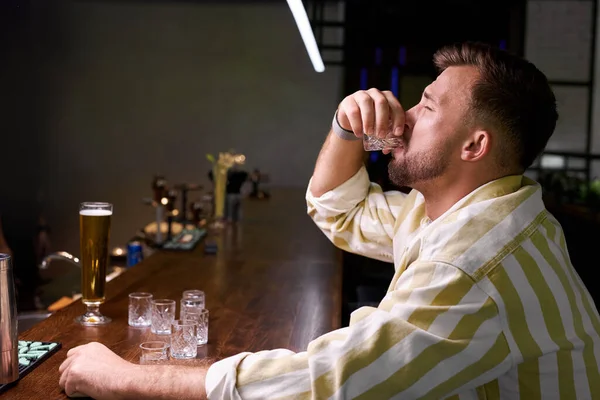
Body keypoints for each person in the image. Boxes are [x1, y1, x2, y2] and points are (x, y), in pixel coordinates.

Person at [59, 42, 600, 399]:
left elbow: (326, 386)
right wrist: (346, 126)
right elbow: (338, 209)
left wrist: (125, 379)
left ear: (475, 145)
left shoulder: (474, 263)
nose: (404, 115)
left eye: (429, 107)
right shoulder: (469, 212)